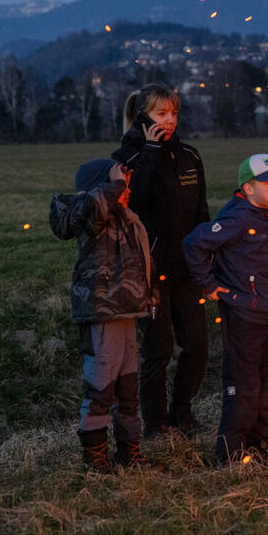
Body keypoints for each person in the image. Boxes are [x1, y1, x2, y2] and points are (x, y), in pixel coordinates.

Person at [111, 82, 210, 439]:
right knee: (158, 350)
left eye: (173, 113)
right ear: (142, 117)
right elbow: (135, 202)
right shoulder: (127, 159)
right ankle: (155, 424)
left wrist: (207, 254)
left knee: (197, 346)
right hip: (148, 271)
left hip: (187, 269)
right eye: (160, 114)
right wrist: (151, 150)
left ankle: (181, 413)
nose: (169, 120)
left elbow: (201, 212)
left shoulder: (190, 156)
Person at [49, 158, 160, 473]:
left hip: (126, 313)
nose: (126, 188)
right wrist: (113, 185)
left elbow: (143, 260)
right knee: (100, 387)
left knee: (128, 388)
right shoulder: (90, 217)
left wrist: (152, 295)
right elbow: (92, 208)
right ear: (103, 187)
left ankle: (130, 453)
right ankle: (95, 460)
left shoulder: (127, 218)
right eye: (119, 183)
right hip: (100, 314)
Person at [183, 154, 268, 464]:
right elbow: (195, 243)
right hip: (243, 311)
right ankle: (232, 452)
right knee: (243, 383)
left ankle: (260, 441)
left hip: (262, 309)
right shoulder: (239, 217)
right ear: (247, 187)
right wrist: (209, 285)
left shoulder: (263, 214)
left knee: (264, 378)